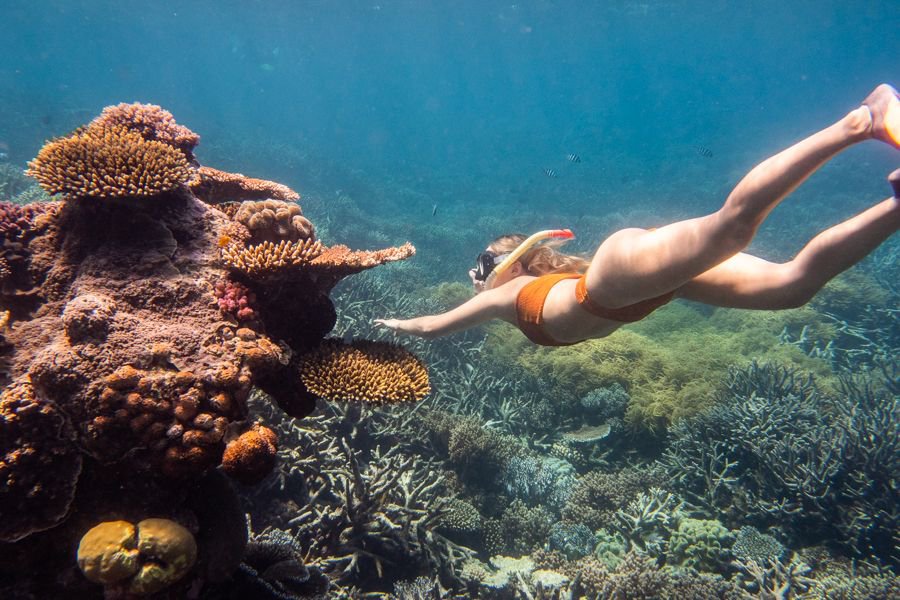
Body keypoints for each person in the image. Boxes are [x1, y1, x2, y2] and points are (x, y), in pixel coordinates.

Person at [375, 84, 900, 346]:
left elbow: (430, 326)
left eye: (480, 266)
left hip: (616, 279)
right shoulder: (537, 283)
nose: (475, 278)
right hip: (642, 286)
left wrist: (387, 322)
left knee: (732, 228)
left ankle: (861, 120)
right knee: (792, 287)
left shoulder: (506, 297)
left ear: (512, 263)